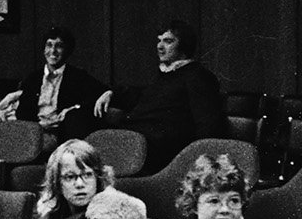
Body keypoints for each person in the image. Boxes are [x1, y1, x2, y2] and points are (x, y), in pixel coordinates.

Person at [93, 20, 224, 169]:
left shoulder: (199, 76)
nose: (159, 46)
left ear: (184, 45)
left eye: (168, 41)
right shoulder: (166, 75)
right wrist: (111, 93)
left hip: (158, 149)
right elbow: (144, 95)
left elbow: (208, 125)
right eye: (159, 41)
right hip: (134, 140)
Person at [0, 27, 106, 143]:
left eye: (59, 46)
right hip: (35, 132)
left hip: (62, 133)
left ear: (67, 50)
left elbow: (101, 92)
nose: (53, 51)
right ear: (44, 49)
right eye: (49, 45)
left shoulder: (77, 76)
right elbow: (23, 112)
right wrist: (39, 126)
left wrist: (73, 108)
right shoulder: (33, 78)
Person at [32, 138, 146, 219]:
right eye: (70, 177)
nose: (80, 184)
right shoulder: (50, 216)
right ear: (57, 183)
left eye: (87, 175)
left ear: (99, 178)